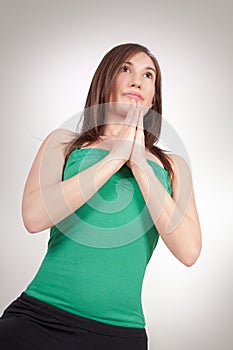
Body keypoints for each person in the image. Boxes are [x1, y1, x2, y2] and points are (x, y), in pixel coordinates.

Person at [0, 43, 202, 349]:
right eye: (126, 69)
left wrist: (138, 162)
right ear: (106, 80)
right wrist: (114, 158)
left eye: (149, 75)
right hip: (37, 319)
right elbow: (34, 217)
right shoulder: (63, 143)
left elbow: (189, 252)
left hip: (119, 334)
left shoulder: (173, 167)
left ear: (153, 97)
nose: (138, 81)